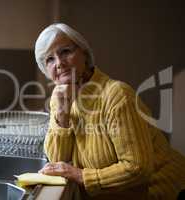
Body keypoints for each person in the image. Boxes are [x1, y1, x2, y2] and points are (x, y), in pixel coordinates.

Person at [35, 23, 185, 200]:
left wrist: (81, 175)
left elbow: (137, 168)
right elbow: (58, 159)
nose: (59, 63)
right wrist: (62, 114)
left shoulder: (116, 95)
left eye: (65, 51)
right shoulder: (59, 97)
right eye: (49, 59)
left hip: (162, 190)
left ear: (84, 54)